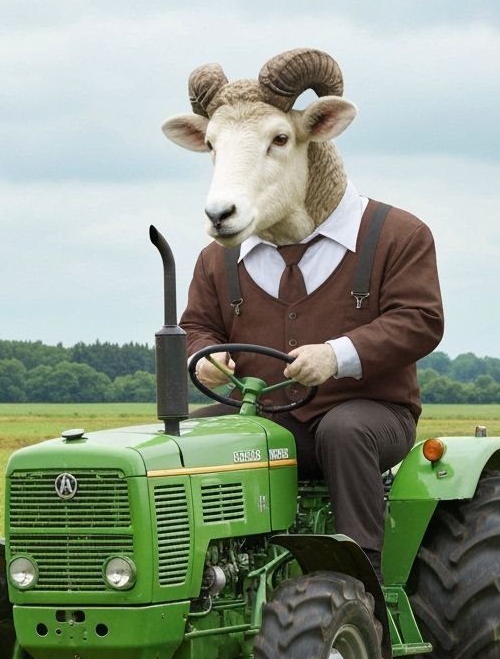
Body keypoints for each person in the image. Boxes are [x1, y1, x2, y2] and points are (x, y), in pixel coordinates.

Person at [179, 179, 444, 580]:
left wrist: (337, 355)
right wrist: (205, 356)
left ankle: (362, 580)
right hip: (264, 415)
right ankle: (202, 575)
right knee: (188, 440)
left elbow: (421, 320)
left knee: (344, 430)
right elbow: (197, 326)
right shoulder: (217, 258)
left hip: (375, 413)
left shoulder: (399, 235)